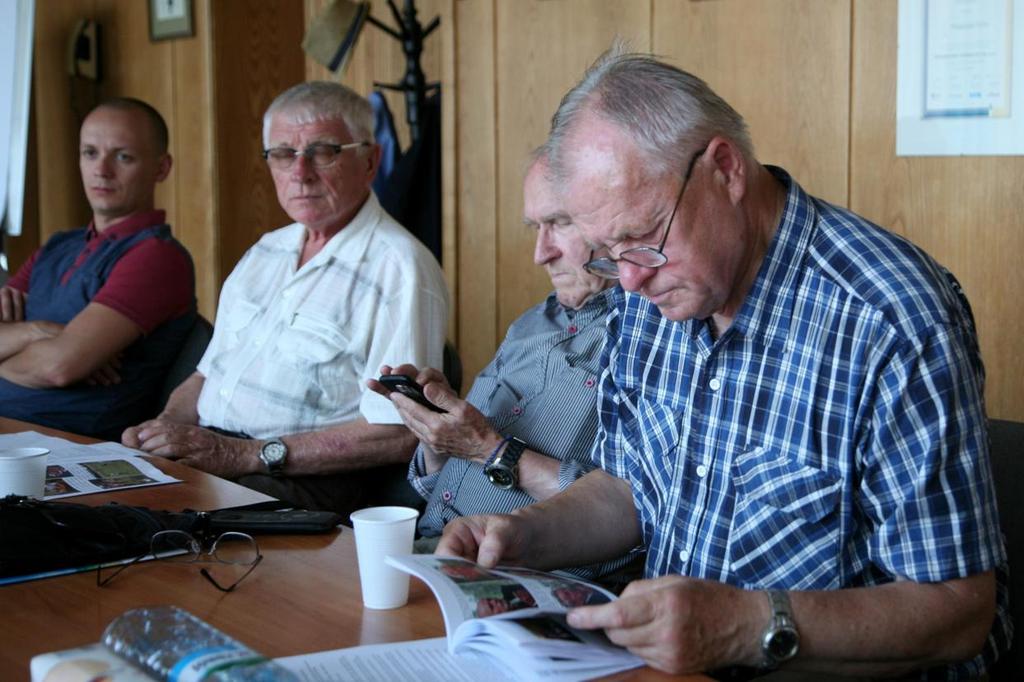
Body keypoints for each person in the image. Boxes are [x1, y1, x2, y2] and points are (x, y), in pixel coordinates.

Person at [436, 49, 1010, 678]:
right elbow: (632, 489)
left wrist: (745, 626)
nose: (626, 278)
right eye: (606, 252)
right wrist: (525, 537)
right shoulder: (650, 291)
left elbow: (959, 611)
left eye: (644, 236)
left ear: (726, 170)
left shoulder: (889, 317)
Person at [122, 82, 449, 515]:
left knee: (139, 522)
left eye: (323, 151)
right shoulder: (265, 252)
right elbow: (208, 374)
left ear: (370, 160)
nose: (300, 172)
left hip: (301, 479)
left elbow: (401, 432)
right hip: (216, 453)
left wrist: (244, 455)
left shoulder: (401, 266)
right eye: (282, 154)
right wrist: (164, 430)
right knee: (96, 498)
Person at [368, 156, 635, 580]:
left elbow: (632, 516)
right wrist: (438, 439)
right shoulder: (532, 322)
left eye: (559, 223)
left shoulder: (645, 340)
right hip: (426, 543)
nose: (540, 253)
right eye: (535, 227)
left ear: (613, 220)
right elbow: (435, 490)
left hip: (516, 574)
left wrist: (489, 448)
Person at [0, 98, 195, 440]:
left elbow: (60, 367)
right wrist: (36, 332)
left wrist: (25, 347)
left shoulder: (156, 256)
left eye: (123, 157)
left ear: (161, 168)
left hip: (63, 448)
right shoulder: (58, 246)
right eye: (90, 153)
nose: (101, 170)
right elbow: (58, 359)